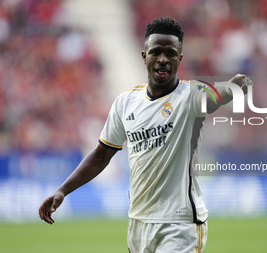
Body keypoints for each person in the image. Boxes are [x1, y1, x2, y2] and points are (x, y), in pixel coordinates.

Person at [39, 17, 253, 252]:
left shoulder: (191, 96)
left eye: (170, 53)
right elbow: (101, 155)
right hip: (138, 225)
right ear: (144, 56)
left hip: (179, 225)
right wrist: (62, 190)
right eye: (156, 52)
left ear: (180, 59)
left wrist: (233, 86)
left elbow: (217, 95)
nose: (163, 59)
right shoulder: (125, 102)